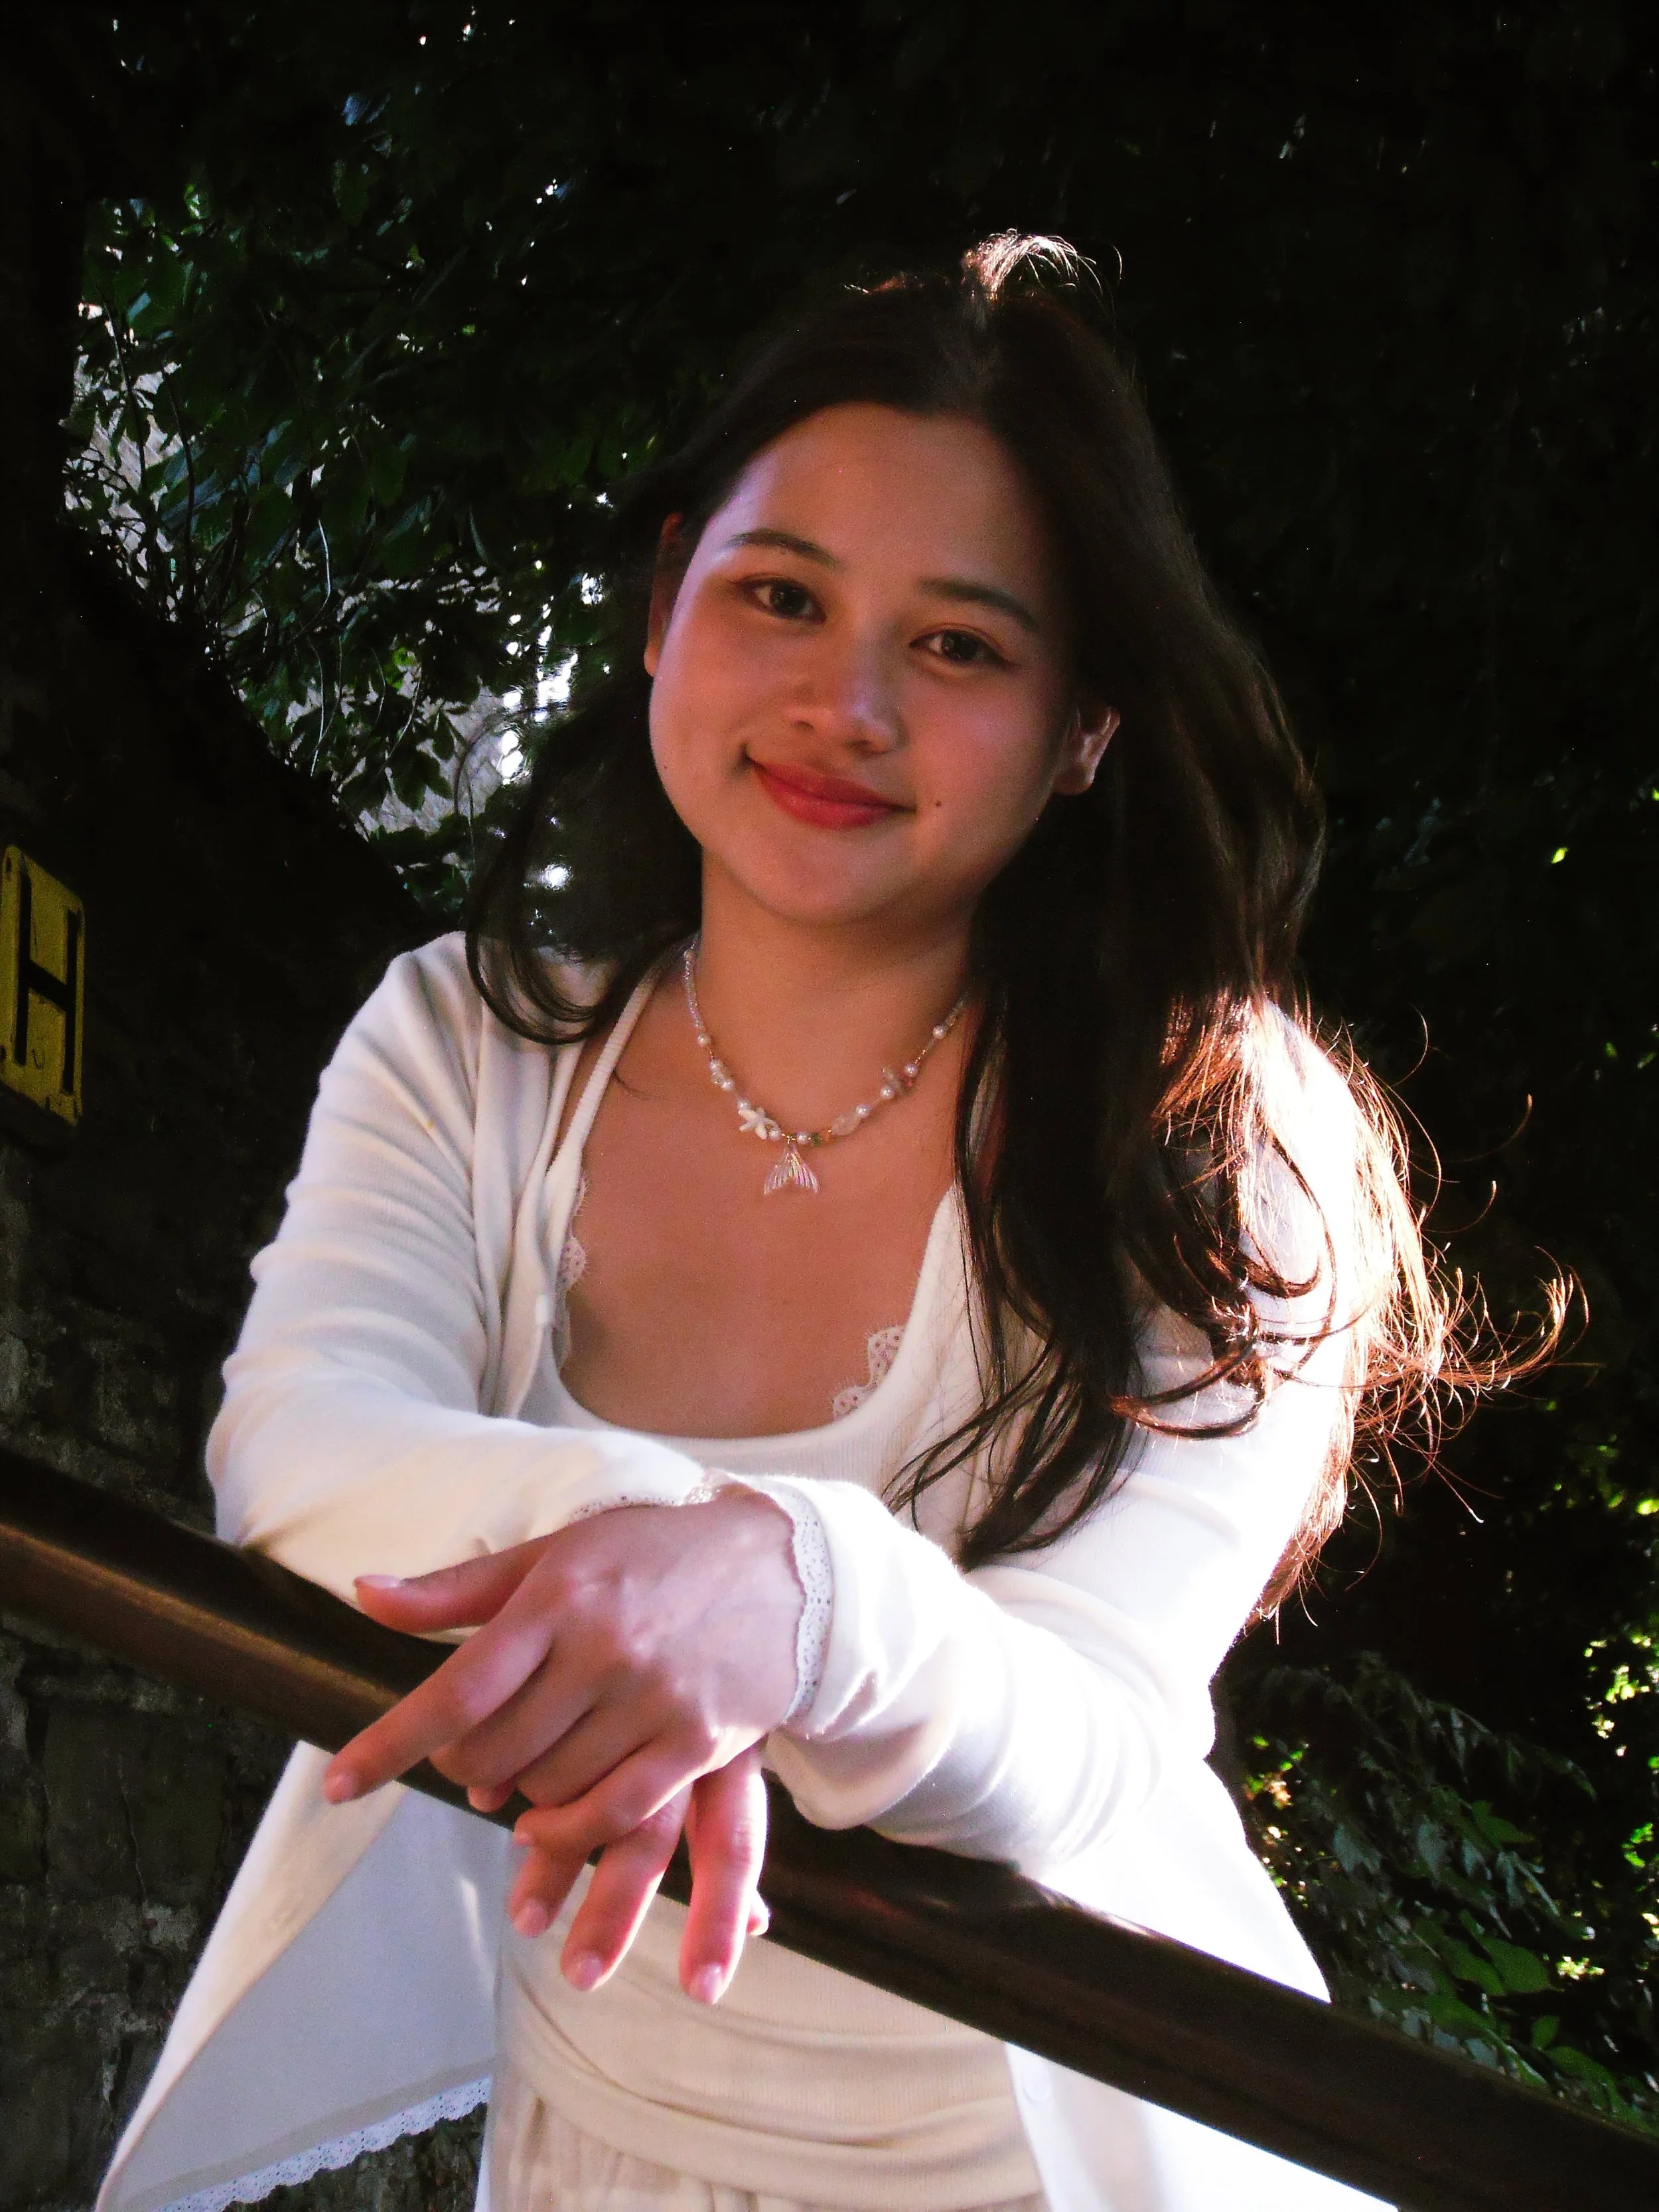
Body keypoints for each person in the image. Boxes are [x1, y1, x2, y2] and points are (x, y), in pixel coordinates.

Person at [100, 234, 1473, 2212]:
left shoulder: (1210, 1140)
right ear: (666, 605)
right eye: (778, 594)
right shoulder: (466, 1044)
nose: (844, 700)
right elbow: (301, 1460)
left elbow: (1079, 1737)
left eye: (959, 645)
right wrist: (696, 1597)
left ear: (1086, 724)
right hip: (592, 2142)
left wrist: (797, 1600)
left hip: (1046, 2156)